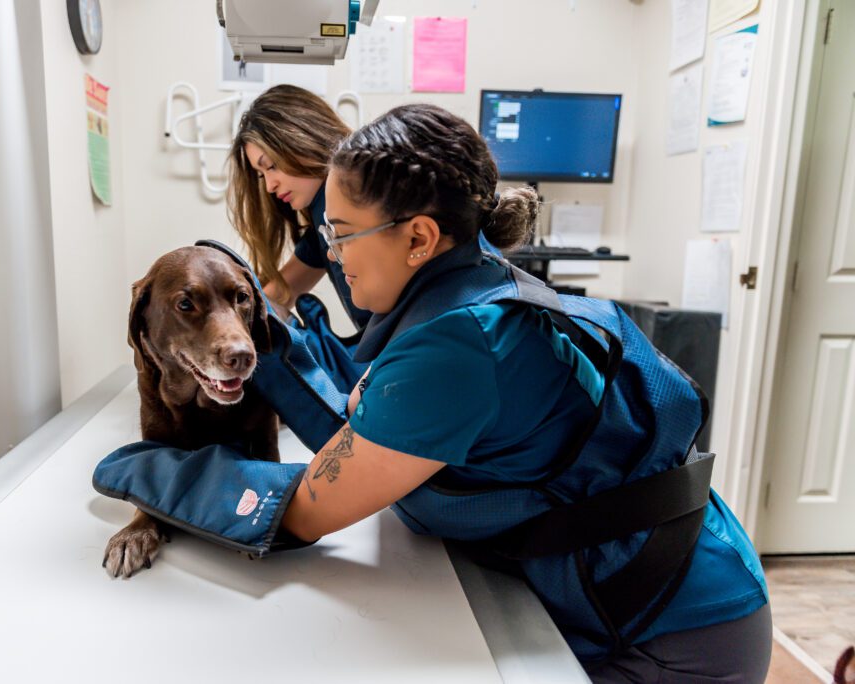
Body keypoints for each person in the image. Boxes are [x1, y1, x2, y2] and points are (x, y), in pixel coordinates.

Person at [95, 103, 771, 682]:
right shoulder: (474, 287)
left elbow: (301, 511)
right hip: (669, 584)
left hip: (675, 638)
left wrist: (146, 472)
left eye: (341, 234)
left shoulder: (457, 344)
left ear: (418, 237)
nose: (331, 255)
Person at [227, 84, 369, 330]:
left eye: (271, 166)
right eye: (261, 175)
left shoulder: (360, 199)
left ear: (302, 139)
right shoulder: (321, 223)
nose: (270, 186)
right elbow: (276, 296)